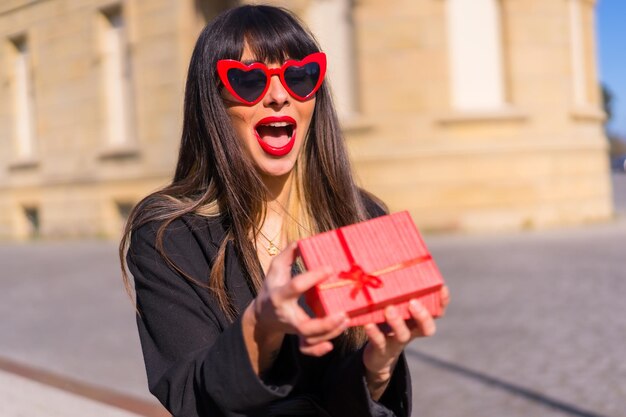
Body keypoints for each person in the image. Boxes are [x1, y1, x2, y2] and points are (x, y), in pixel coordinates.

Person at [119, 5, 449, 417]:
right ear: (213, 102)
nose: (279, 95)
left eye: (299, 76)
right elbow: (188, 395)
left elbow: (366, 400)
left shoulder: (364, 215)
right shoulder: (169, 234)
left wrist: (378, 367)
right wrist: (263, 324)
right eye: (249, 81)